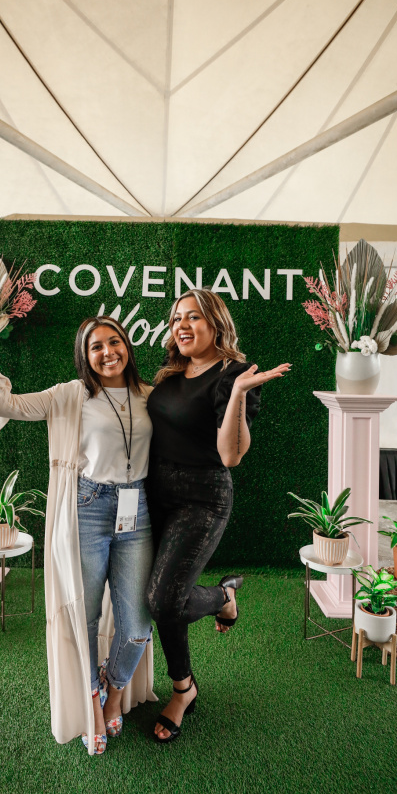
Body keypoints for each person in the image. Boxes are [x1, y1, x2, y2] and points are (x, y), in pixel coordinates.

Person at [0, 316, 156, 756]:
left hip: (137, 512)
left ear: (127, 346)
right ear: (85, 356)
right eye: (96, 346)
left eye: (114, 341)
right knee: (84, 613)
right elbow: (4, 404)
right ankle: (92, 703)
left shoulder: (151, 396)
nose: (108, 352)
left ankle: (113, 687)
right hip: (88, 508)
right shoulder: (69, 395)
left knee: (136, 625)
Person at [145, 289, 291, 743]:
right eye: (176, 319)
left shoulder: (234, 375)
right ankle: (184, 684)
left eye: (193, 317)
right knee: (158, 597)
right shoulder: (172, 370)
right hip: (154, 492)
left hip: (202, 498)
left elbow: (231, 455)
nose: (182, 326)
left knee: (163, 601)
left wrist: (240, 393)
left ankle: (222, 599)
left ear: (215, 323)